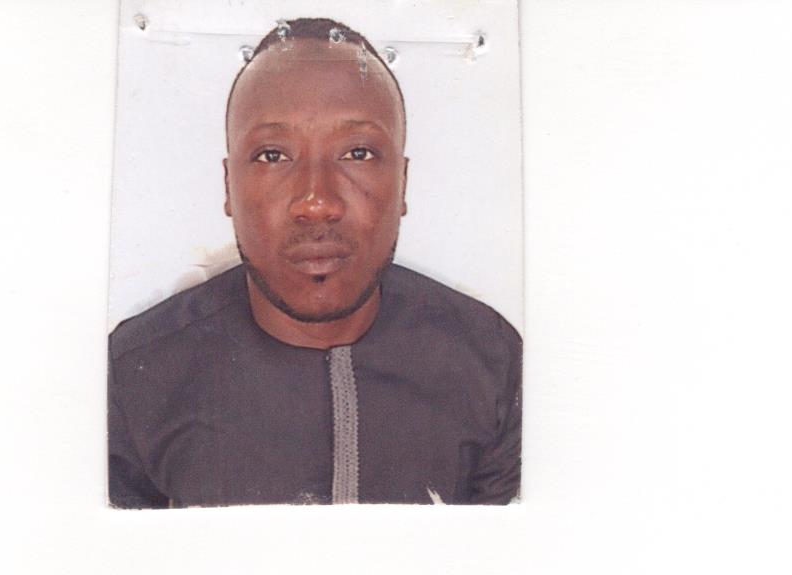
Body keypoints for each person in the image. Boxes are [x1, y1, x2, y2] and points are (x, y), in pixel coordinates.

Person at [109, 16, 523, 507]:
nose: (317, 202)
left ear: (403, 183)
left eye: (358, 153)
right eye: (272, 156)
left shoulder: (492, 365)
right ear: (228, 187)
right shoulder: (136, 376)